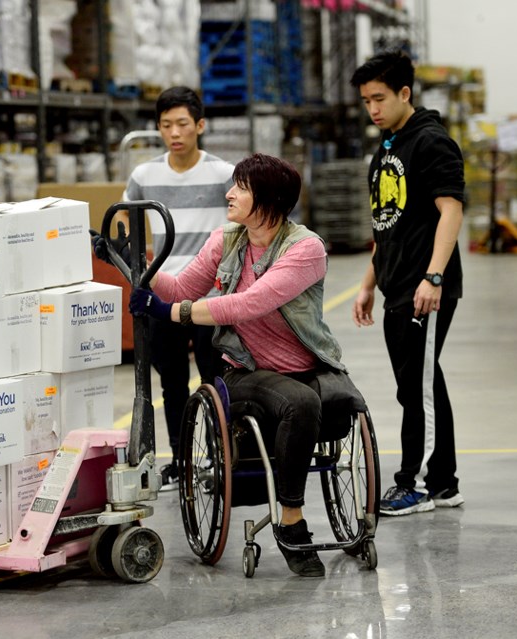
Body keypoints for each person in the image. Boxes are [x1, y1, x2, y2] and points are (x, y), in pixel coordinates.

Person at [128, 152, 349, 578]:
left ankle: (288, 512)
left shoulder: (306, 249)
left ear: (268, 199)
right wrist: (138, 263)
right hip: (246, 371)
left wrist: (174, 314)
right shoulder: (226, 239)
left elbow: (249, 304)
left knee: (315, 399)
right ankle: (292, 521)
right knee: (299, 404)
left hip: (306, 367)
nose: (229, 193)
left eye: (241, 188)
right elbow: (180, 286)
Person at [350, 49, 466, 516]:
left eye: (379, 98)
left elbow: (451, 211)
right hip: (396, 286)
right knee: (419, 385)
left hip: (425, 288)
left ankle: (414, 483)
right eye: (365, 101)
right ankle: (443, 482)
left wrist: (433, 277)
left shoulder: (432, 142)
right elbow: (387, 225)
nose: (372, 109)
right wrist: (365, 283)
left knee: (417, 387)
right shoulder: (387, 149)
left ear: (405, 93)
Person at [117, 86, 235, 491]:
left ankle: (221, 461)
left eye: (182, 123)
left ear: (200, 126)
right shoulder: (144, 176)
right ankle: (181, 462)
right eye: (166, 125)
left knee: (214, 379)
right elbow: (122, 227)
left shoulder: (224, 174)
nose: (175, 133)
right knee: (171, 383)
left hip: (211, 296)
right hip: (164, 294)